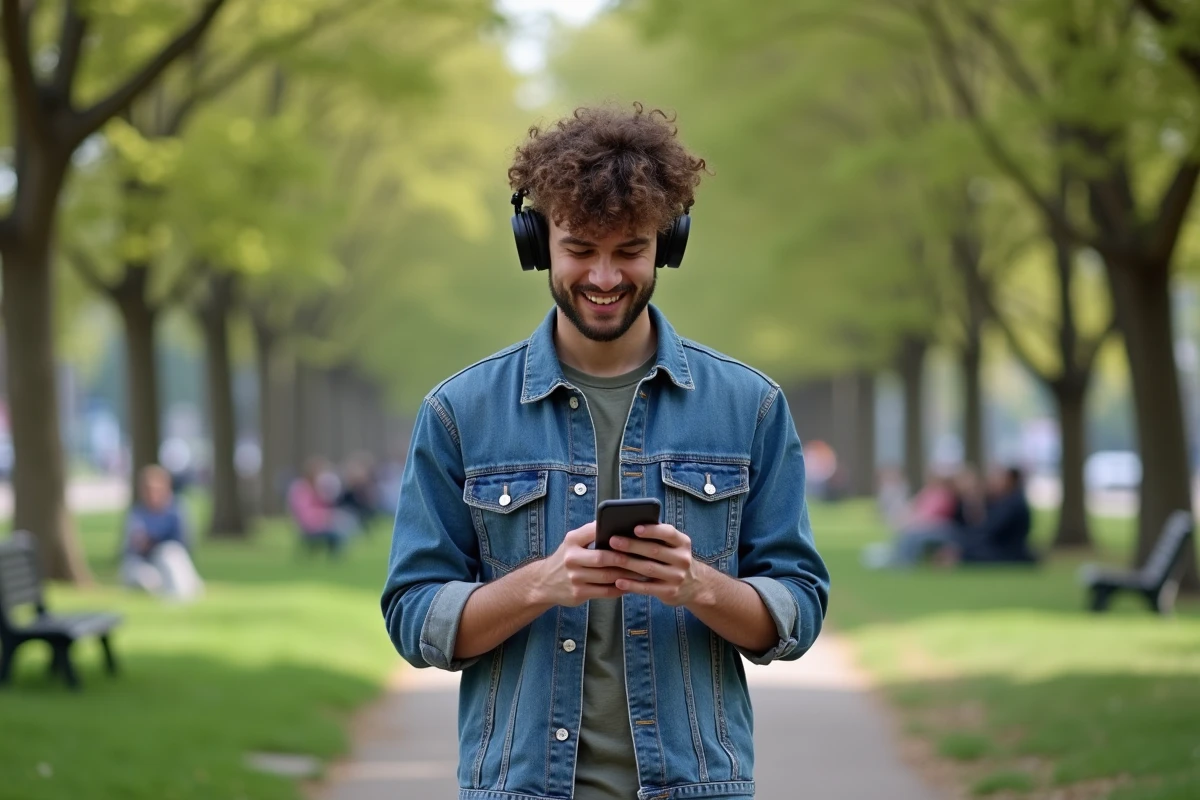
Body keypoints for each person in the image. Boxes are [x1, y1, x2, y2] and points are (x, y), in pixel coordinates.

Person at [381, 103, 830, 800]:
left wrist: (700, 587)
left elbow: (798, 607)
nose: (604, 277)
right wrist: (539, 584)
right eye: (581, 249)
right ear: (537, 243)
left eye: (630, 251)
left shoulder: (752, 407)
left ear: (668, 244)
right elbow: (414, 617)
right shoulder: (458, 413)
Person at [120, 464, 204, 600]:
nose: (152, 494)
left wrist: (156, 542)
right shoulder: (137, 513)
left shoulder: (177, 510)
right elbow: (128, 548)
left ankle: (179, 594)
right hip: (145, 562)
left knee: (169, 554)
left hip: (170, 556)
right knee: (139, 576)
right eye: (147, 490)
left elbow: (184, 543)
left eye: (155, 489)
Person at [946, 466, 1036, 565]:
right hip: (1004, 548)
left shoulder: (1011, 504)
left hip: (1007, 551)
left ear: (1010, 480)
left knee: (969, 553)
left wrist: (962, 548)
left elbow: (990, 529)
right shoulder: (1006, 501)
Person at [288, 457, 350, 555]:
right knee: (339, 528)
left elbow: (329, 505)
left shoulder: (318, 488)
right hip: (308, 526)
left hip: (322, 523)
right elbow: (305, 515)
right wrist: (326, 516)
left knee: (344, 522)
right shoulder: (301, 489)